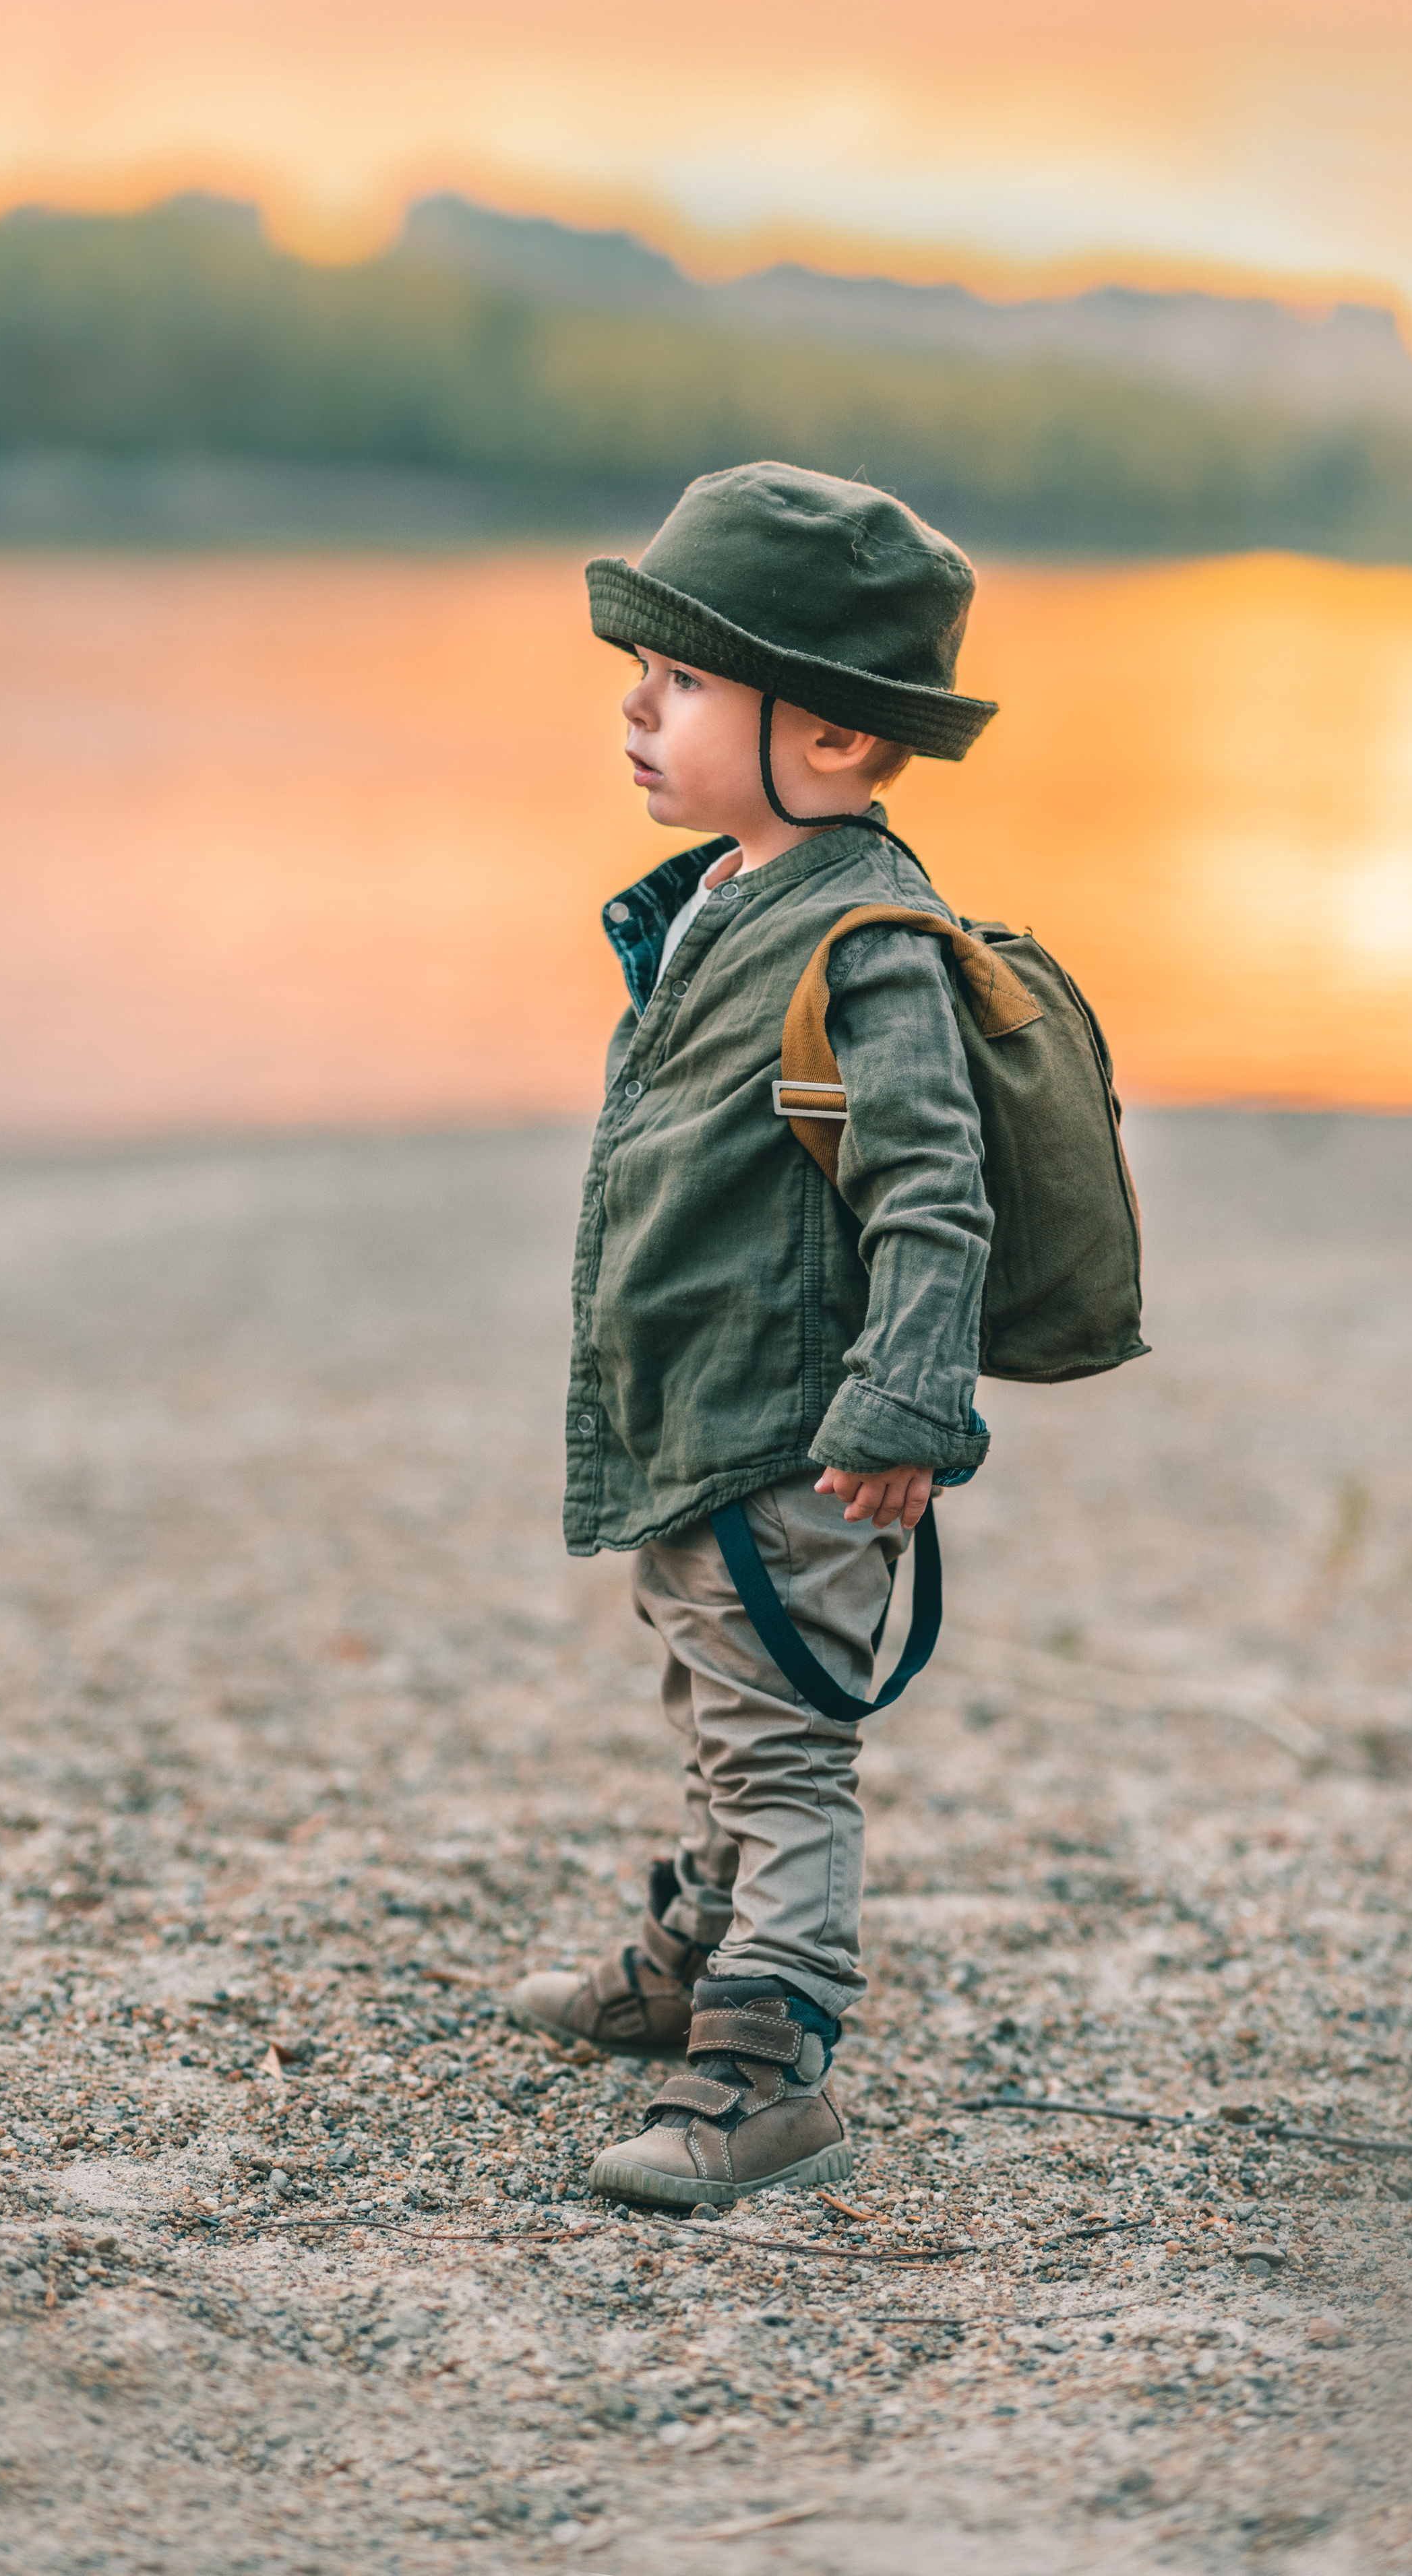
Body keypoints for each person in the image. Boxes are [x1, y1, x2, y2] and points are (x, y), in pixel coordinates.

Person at [509, 459, 1000, 2208]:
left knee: (786, 1752)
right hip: (699, 1413)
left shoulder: (869, 936)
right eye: (646, 669)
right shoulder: (729, 893)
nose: (640, 705)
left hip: (804, 1436)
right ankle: (693, 1964)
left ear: (843, 738)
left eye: (690, 676)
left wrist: (905, 1402)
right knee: (720, 1707)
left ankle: (767, 2067)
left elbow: (934, 1193)